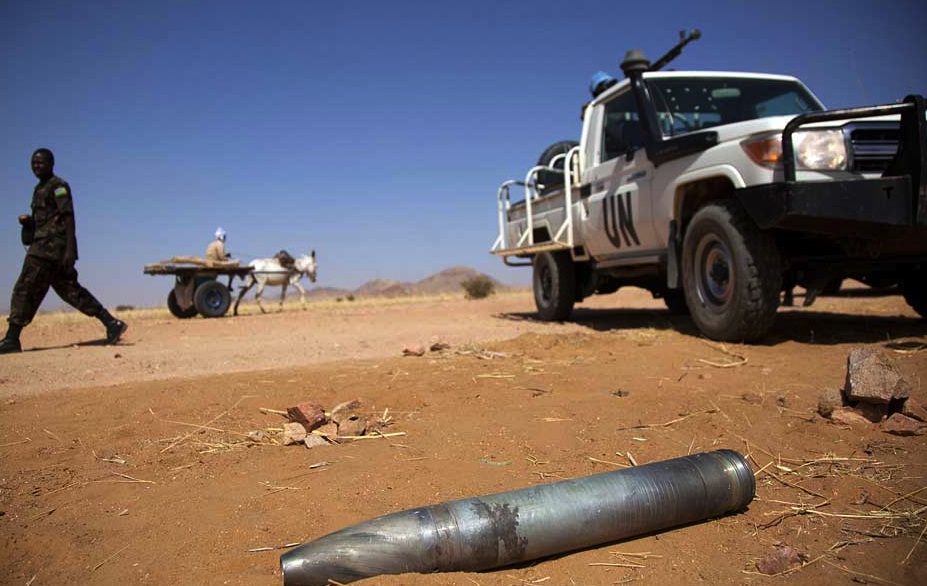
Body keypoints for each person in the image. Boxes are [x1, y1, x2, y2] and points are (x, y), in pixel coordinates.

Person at [0, 148, 127, 354]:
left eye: (40, 162)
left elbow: (68, 217)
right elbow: (49, 220)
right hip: (47, 248)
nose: (36, 166)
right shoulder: (39, 189)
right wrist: (29, 223)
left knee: (25, 287)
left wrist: (70, 249)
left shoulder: (58, 186)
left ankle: (12, 338)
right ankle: (111, 323)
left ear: (51, 164)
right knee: (71, 291)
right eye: (33, 163)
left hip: (48, 249)